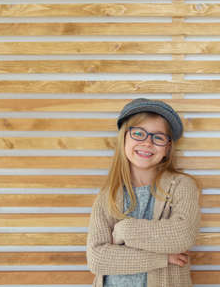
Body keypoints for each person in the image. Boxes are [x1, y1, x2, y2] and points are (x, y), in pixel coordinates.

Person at [86, 98, 201, 287]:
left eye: (158, 137)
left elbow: (182, 235)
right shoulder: (108, 196)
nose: (147, 142)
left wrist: (124, 230)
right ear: (124, 138)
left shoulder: (181, 185)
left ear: (167, 148)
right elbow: (98, 259)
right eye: (138, 133)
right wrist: (163, 257)